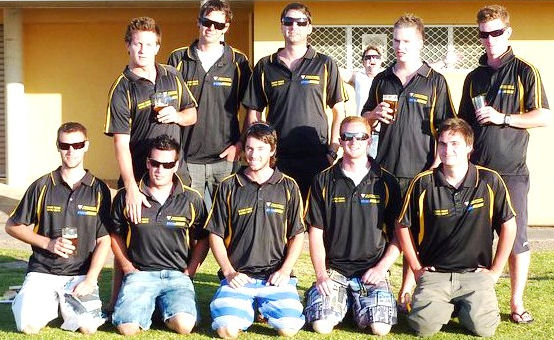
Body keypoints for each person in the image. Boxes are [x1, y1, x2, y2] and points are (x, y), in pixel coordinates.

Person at [458, 5, 551, 324]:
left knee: (516, 239)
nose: (490, 39)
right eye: (483, 34)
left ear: (508, 32)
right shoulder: (474, 77)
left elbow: (544, 116)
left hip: (511, 171)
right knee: (475, 240)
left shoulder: (525, 71)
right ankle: (473, 301)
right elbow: (463, 125)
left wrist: (504, 118)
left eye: (496, 32)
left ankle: (516, 303)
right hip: (477, 173)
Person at [103, 16, 198, 311]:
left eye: (149, 44)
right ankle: (116, 300)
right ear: (127, 46)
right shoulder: (121, 88)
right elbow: (120, 142)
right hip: (139, 176)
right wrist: (131, 187)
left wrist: (177, 116)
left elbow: (192, 113)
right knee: (128, 236)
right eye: (137, 44)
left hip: (174, 171)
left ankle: (178, 290)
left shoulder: (172, 74)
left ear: (158, 45)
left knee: (181, 233)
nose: (142, 50)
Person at [362, 14, 456, 308]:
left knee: (413, 232)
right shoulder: (381, 78)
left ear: (419, 42)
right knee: (384, 229)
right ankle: (378, 286)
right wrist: (372, 116)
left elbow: (447, 126)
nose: (400, 46)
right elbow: (363, 119)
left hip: (420, 170)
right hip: (385, 169)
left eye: (406, 41)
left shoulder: (435, 81)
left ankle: (407, 290)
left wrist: (437, 164)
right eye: (396, 40)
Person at [396, 118, 516, 337]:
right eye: (442, 144)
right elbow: (402, 226)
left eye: (455, 144)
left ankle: (460, 305)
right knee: (423, 328)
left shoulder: (490, 180)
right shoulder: (422, 183)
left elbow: (509, 224)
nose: (447, 150)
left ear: (469, 147)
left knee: (484, 329)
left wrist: (495, 272)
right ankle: (446, 304)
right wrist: (416, 269)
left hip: (475, 274)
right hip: (435, 274)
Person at [6, 122, 111, 335]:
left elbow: (104, 239)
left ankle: (63, 304)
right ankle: (39, 299)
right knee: (28, 326)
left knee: (88, 328)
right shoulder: (42, 185)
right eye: (64, 145)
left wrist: (91, 279)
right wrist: (48, 243)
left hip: (79, 275)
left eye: (77, 144)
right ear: (58, 146)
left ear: (86, 145)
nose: (70, 151)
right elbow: (12, 226)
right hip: (43, 272)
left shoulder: (100, 189)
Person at [205, 123, 306, 339]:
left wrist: (285, 270)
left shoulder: (288, 186)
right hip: (240, 277)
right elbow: (215, 234)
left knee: (288, 329)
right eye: (249, 148)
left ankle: (260, 306)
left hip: (275, 278)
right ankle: (248, 308)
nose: (253, 155)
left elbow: (297, 234)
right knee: (226, 330)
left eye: (260, 149)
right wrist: (229, 272)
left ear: (272, 150)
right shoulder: (228, 186)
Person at [304, 116, 401, 335]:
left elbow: (399, 235)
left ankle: (354, 303)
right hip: (334, 271)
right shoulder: (323, 180)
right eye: (348, 136)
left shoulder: (387, 181)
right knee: (321, 326)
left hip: (371, 271)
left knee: (380, 329)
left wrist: (381, 268)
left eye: (361, 136)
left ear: (369, 140)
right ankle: (340, 301)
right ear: (340, 140)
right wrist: (321, 275)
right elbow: (315, 233)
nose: (354, 141)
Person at [243, 2, 348, 199]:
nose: (294, 27)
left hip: (317, 157)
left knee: (314, 220)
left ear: (309, 27)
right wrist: (259, 150)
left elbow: (338, 111)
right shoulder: (265, 66)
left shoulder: (325, 63)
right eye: (288, 22)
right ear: (282, 26)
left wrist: (333, 149)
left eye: (301, 22)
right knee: (278, 219)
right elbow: (254, 113)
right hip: (277, 158)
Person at [109, 134, 209, 336]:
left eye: (167, 164)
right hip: (140, 275)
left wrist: (189, 272)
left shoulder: (192, 198)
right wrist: (128, 267)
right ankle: (151, 308)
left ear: (176, 165)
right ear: (147, 162)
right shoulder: (127, 197)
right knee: (127, 329)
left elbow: (204, 238)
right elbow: (114, 235)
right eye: (155, 163)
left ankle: (158, 309)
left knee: (184, 326)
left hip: (176, 276)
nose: (160, 170)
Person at [167, 0, 251, 200]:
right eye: (207, 22)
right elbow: (169, 108)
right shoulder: (178, 59)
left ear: (226, 27)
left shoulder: (238, 61)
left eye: (219, 25)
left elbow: (251, 108)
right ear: (198, 22)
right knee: (191, 223)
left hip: (225, 159)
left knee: (226, 223)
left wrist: (240, 144)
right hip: (186, 159)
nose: (212, 28)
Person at [340, 45, 384, 157]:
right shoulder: (358, 76)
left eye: (375, 57)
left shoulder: (388, 77)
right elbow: (333, 69)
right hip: (362, 133)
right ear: (363, 62)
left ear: (381, 61)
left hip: (383, 133)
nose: (371, 60)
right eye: (368, 58)